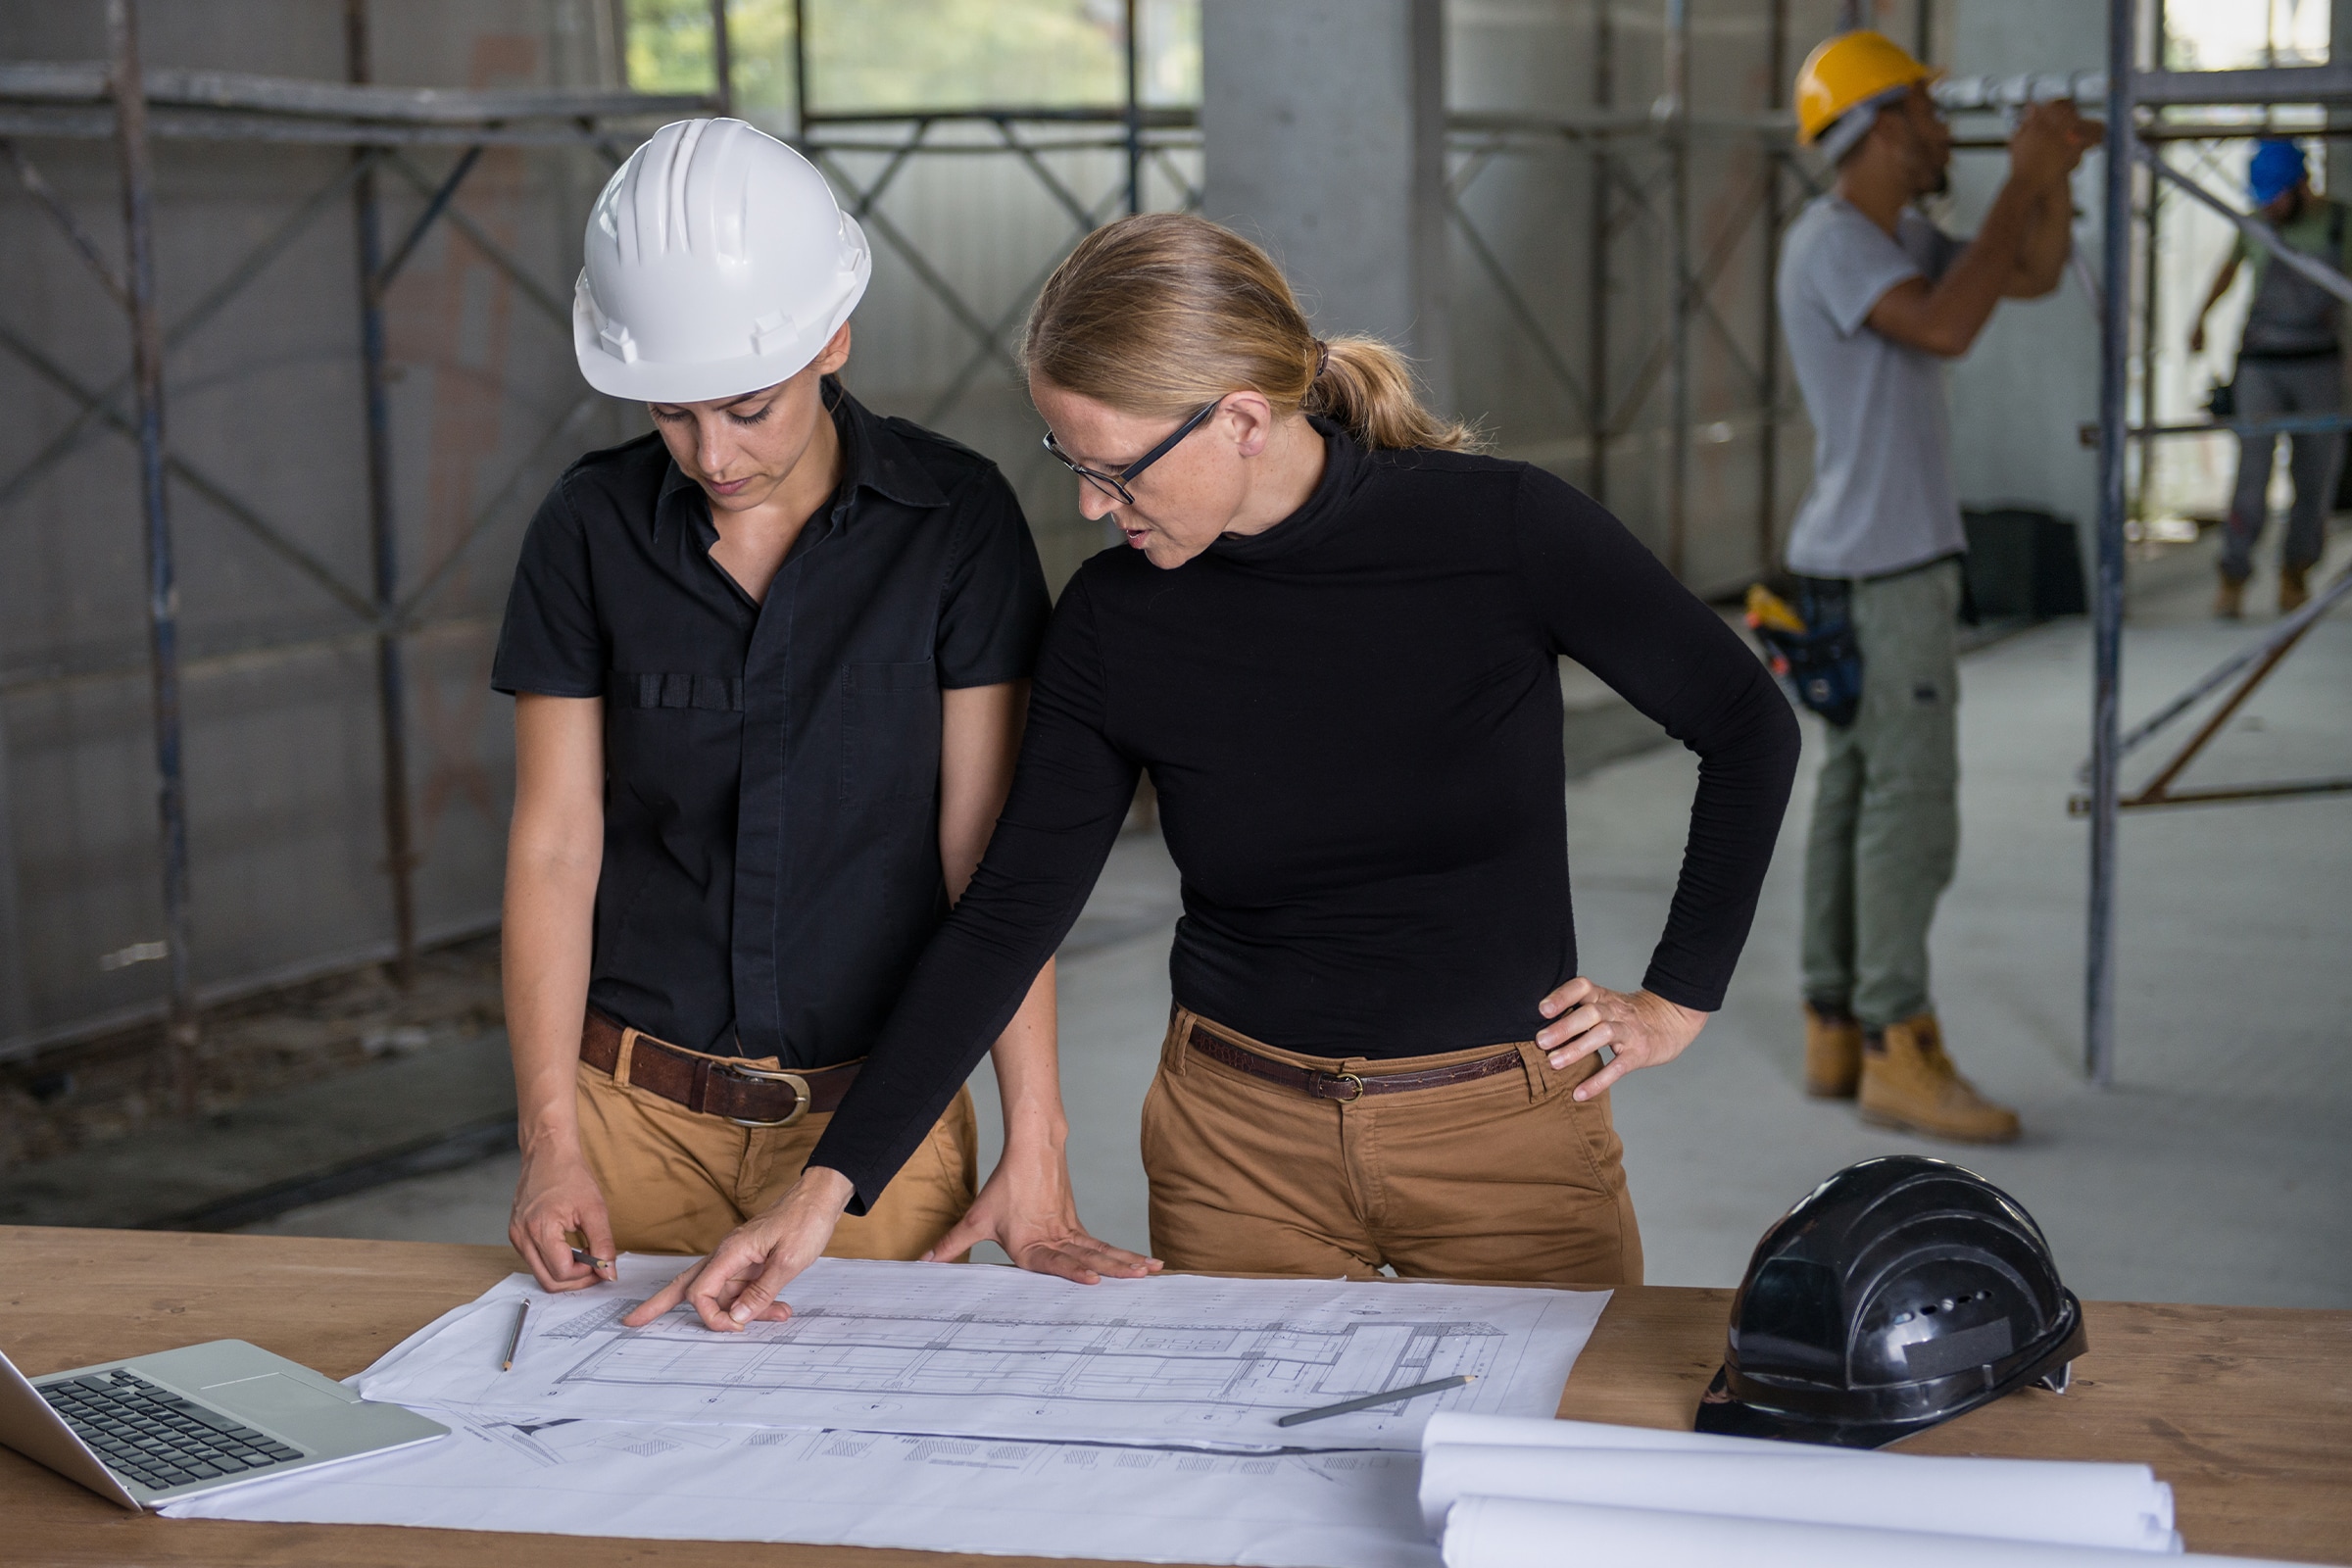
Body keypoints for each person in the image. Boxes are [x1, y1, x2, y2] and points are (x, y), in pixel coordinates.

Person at [622, 212, 1801, 1335]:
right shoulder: (1112, 622)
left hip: (1508, 1137)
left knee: (1554, 1495)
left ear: (1241, 417)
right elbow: (1007, 917)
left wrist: (1676, 1001)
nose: (1092, 504)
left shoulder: (1502, 533)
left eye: (1119, 471)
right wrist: (827, 1189)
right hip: (1235, 1149)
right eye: (1069, 461)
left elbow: (1747, 724)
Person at [492, 119, 1150, 1296]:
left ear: (830, 340)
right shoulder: (587, 530)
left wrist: (1033, 1139)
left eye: (748, 406)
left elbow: (987, 857)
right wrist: (552, 1143)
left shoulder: (956, 523)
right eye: (673, 414)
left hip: (876, 1126)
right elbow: (555, 846)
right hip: (632, 1118)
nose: (711, 452)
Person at [1780, 32, 2099, 1142]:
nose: (1941, 129)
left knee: (1859, 794)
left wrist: (2046, 185)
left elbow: (2031, 271)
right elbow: (1951, 323)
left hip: (1857, 558)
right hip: (1885, 566)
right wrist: (2022, 176)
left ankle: (1835, 1021)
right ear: (1876, 126)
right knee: (1910, 813)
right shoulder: (1833, 244)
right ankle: (1896, 1043)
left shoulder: (1891, 234)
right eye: (1923, 109)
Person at [2188, 138, 2348, 617]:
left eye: (2277, 196)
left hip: (2320, 364)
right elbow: (2228, 269)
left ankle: (2295, 572)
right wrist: (2200, 318)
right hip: (2261, 364)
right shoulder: (2257, 224)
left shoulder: (2340, 222)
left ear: (2303, 185)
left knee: (2315, 479)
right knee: (2251, 476)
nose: (2270, 207)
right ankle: (2233, 575)